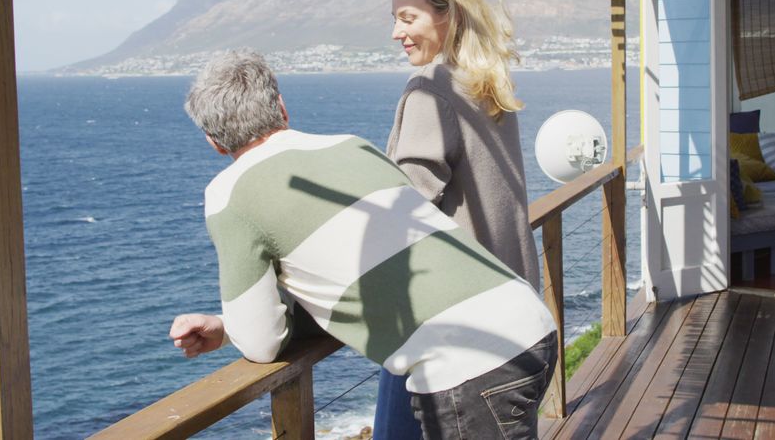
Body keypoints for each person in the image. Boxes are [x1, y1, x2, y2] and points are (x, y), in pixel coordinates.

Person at [169, 51, 556, 440]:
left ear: (214, 142)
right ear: (282, 109)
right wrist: (224, 329)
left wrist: (234, 329)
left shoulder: (228, 194)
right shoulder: (352, 146)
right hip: (529, 325)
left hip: (471, 364)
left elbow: (261, 342)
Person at [376, 0, 543, 439]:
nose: (396, 33)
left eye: (407, 19)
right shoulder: (486, 83)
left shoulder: (431, 89)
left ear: (445, 15)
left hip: (453, 334)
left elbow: (401, 214)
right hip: (519, 319)